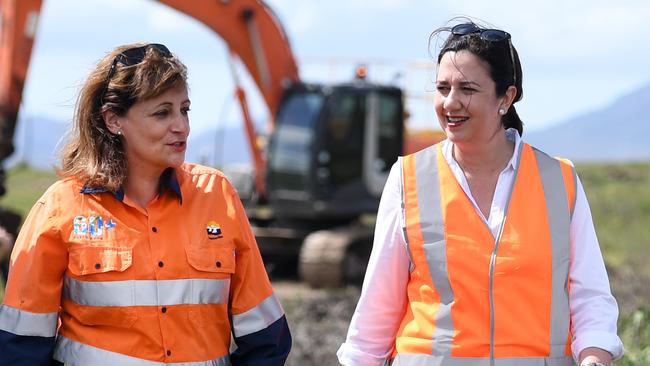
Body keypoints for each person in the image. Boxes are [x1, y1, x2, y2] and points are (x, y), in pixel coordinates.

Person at [337, 20, 623, 366]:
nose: (450, 103)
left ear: (506, 97)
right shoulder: (408, 178)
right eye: (443, 88)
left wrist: (595, 356)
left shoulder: (558, 180)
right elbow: (376, 312)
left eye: (467, 89)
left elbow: (591, 298)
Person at [0, 43, 291, 365]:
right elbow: (21, 346)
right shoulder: (60, 208)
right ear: (113, 120)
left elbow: (268, 338)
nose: (181, 126)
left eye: (185, 109)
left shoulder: (217, 195)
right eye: (162, 112)